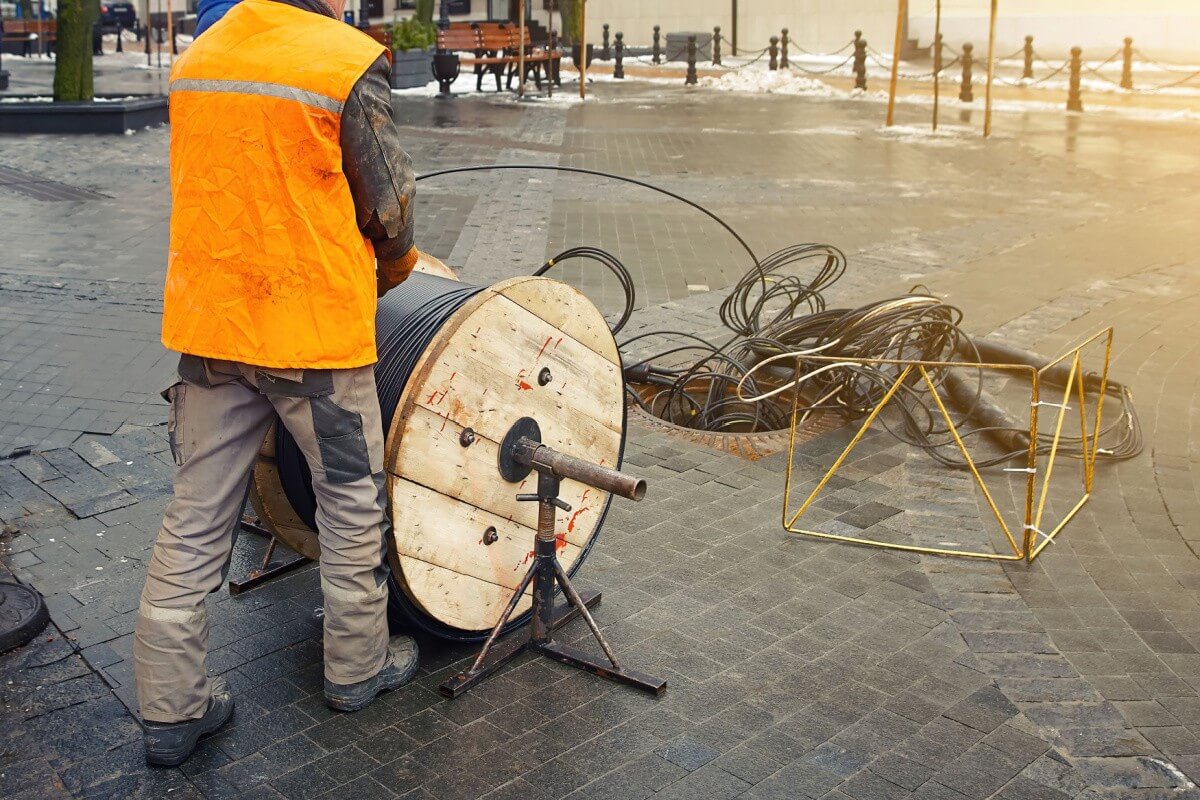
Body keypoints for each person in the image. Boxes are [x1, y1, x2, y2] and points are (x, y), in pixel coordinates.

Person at [135, 0, 430, 767]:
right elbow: (388, 202)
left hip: (213, 326)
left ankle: (171, 712)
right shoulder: (342, 58)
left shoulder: (198, 58)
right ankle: (357, 667)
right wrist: (396, 269)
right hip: (311, 339)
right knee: (350, 500)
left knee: (197, 514)